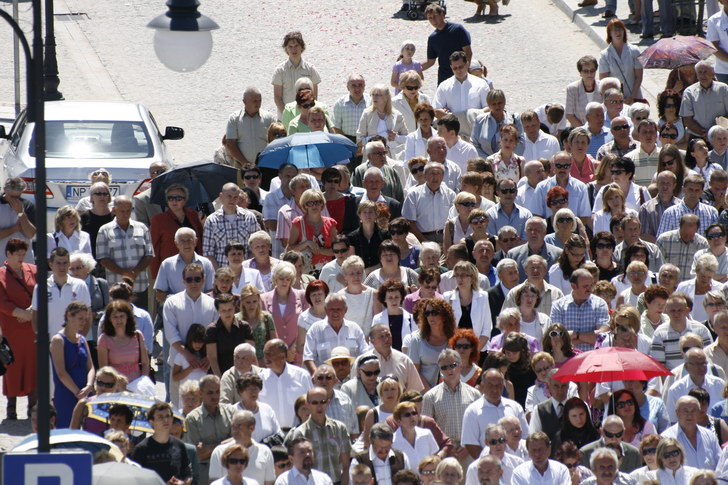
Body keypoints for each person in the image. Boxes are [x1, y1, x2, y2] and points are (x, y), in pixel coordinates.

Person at [163, 263, 218, 405]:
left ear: (203, 280)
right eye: (189, 279)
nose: (193, 283)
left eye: (197, 279)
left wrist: (208, 357)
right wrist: (187, 355)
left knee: (207, 406)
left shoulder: (212, 304)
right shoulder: (171, 303)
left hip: (205, 364)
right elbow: (170, 333)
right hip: (179, 363)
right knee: (178, 405)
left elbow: (216, 332)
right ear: (183, 281)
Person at [95, 195, 153, 310]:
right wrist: (123, 272)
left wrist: (136, 270)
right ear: (114, 210)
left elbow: (149, 254)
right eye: (122, 211)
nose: (125, 214)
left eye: (128, 210)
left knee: (139, 320)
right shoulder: (104, 230)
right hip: (116, 287)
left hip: (139, 286)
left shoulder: (142, 228)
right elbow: (103, 259)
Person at [0, 238, 37, 419]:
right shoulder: (0, 274)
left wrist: (30, 311)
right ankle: (11, 408)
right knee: (12, 367)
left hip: (31, 327)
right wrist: (20, 313)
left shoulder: (33, 270)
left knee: (32, 365)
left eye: (23, 254)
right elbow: (2, 301)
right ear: (8, 254)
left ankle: (33, 407)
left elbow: (40, 292)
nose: (22, 258)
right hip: (12, 329)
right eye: (18, 254)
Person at [286, 387, 352, 485]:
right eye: (314, 403)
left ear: (328, 402)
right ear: (308, 404)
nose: (319, 406)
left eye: (323, 402)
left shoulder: (339, 428)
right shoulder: (300, 433)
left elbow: (346, 465)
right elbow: (297, 467)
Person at [461, 369, 528, 459]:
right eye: (490, 385)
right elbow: (471, 444)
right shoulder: (473, 411)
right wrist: (489, 464)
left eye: (499, 385)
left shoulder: (515, 407)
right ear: (483, 385)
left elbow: (525, 437)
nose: (495, 390)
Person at [50, 302, 95, 428]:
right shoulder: (58, 340)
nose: (83, 322)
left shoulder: (82, 339)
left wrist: (89, 386)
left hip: (85, 392)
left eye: (85, 319)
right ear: (69, 316)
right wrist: (78, 393)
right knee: (66, 432)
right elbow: (61, 373)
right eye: (80, 318)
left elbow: (90, 367)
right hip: (66, 394)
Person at [185, 375, 236, 484]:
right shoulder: (193, 419)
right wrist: (226, 443)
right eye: (210, 392)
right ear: (200, 393)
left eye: (217, 391)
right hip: (205, 472)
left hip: (230, 469)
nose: (215, 396)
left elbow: (237, 443)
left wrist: (209, 447)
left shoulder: (231, 412)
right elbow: (198, 454)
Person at [31, 247, 91, 337]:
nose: (62, 267)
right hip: (50, 343)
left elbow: (88, 316)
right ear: (51, 264)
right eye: (58, 263)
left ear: (69, 264)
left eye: (65, 263)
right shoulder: (40, 287)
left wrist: (79, 339)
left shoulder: (80, 285)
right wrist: (43, 341)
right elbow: (35, 317)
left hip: (74, 342)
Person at [303, 293, 369, 373]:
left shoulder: (355, 329)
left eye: (339, 309)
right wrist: (319, 377)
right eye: (332, 309)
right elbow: (308, 358)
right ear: (326, 310)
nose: (335, 313)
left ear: (345, 310)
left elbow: (365, 354)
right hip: (326, 381)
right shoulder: (315, 330)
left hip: (352, 380)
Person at [149, 184, 204, 279]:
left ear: (185, 200)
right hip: (171, 268)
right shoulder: (158, 220)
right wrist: (156, 274)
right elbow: (154, 247)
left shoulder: (194, 216)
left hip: (193, 266)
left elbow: (201, 240)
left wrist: (203, 224)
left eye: (178, 198)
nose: (174, 201)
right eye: (170, 198)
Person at [550, 269, 611, 352]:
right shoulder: (559, 306)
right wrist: (591, 337)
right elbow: (556, 338)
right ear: (573, 286)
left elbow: (603, 337)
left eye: (591, 285)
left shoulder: (600, 304)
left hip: (592, 359)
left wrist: (576, 335)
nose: (590, 289)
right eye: (585, 286)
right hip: (568, 360)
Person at [433, 52, 489, 140]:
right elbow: (436, 110)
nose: (458, 70)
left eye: (461, 67)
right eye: (455, 68)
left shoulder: (481, 84)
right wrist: (447, 116)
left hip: (475, 133)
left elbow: (488, 108)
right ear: (451, 68)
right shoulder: (444, 86)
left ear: (467, 64)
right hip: (452, 136)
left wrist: (471, 115)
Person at [260, 262, 309, 363]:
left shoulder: (302, 295)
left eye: (288, 279)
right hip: (273, 355)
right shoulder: (263, 299)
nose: (284, 282)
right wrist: (280, 352)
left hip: (297, 354)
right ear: (275, 279)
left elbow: (307, 325)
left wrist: (292, 350)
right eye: (281, 279)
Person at [258, 339, 312, 430]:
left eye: (269, 354)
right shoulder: (260, 379)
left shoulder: (302, 376)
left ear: (282, 356)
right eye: (265, 353)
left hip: (298, 432)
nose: (266, 358)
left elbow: (311, 404)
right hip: (270, 436)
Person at [203, 183, 259, 270]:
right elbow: (208, 252)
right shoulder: (211, 220)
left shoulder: (249, 217)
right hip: (222, 274)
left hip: (245, 272)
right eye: (229, 196)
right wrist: (220, 274)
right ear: (221, 196)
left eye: (235, 197)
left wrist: (248, 270)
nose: (232, 200)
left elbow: (255, 246)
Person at [406, 298, 457, 389]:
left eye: (434, 312)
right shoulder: (417, 340)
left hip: (452, 390)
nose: (430, 317)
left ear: (444, 315)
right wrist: (430, 393)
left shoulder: (455, 338)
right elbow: (415, 372)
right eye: (427, 313)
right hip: (424, 393)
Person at [665, 348, 726, 423]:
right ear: (686, 366)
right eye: (697, 364)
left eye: (703, 363)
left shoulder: (719, 385)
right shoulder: (676, 389)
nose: (701, 367)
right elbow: (672, 420)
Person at [533, 152, 591, 228]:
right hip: (548, 232)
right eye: (558, 166)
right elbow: (537, 215)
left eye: (566, 166)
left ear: (571, 166)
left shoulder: (581, 187)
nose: (562, 169)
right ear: (553, 166)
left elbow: (585, 217)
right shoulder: (541, 187)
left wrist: (567, 230)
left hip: (573, 232)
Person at [98, 300, 150, 384]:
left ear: (127, 317)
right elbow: (104, 369)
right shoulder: (104, 339)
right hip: (115, 387)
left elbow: (145, 364)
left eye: (121, 316)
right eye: (115, 317)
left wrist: (143, 382)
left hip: (137, 386)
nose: (119, 320)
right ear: (110, 319)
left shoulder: (137, 336)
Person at [225, 87, 276, 168]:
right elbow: (230, 143)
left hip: (265, 166)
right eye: (254, 101)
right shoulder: (234, 118)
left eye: (260, 100)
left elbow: (275, 142)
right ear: (244, 101)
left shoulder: (269, 118)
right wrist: (245, 163)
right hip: (241, 166)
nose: (258, 103)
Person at [421, 5, 472, 85]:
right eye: (430, 18)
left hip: (461, 74)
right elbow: (430, 62)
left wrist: (466, 69)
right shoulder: (433, 38)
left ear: (442, 14)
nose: (433, 20)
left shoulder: (457, 29)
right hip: (444, 77)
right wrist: (413, 67)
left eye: (435, 16)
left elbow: (468, 51)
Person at [272, 32, 320, 116]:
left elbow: (314, 97)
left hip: (307, 119)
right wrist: (287, 115)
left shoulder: (311, 70)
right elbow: (277, 98)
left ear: (302, 47)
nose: (293, 50)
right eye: (290, 47)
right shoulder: (279, 71)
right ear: (286, 49)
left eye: (296, 46)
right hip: (284, 118)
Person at [599, 19, 643, 104]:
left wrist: (632, 97)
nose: (618, 32)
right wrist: (616, 98)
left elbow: (639, 77)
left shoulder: (634, 51)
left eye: (620, 29)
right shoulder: (604, 55)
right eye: (614, 30)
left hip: (634, 97)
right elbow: (604, 81)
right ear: (610, 33)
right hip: (614, 101)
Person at [680, 60, 728, 139]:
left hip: (720, 137)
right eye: (700, 72)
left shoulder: (724, 89)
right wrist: (705, 134)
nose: (703, 75)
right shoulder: (689, 92)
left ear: (713, 73)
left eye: (705, 72)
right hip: (697, 137)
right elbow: (687, 119)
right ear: (697, 75)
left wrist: (715, 133)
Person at [470, 90, 524, 159]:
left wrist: (506, 159)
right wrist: (489, 161)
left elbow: (521, 143)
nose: (497, 106)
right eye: (494, 104)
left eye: (500, 103)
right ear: (489, 105)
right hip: (486, 164)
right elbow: (474, 144)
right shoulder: (480, 120)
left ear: (504, 102)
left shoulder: (515, 119)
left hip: (510, 163)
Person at [527, 368, 572, 437]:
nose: (560, 390)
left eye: (564, 386)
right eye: (556, 386)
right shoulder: (539, 410)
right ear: (548, 387)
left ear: (568, 386)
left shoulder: (578, 406)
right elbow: (533, 437)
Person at [0, 178, 35, 264]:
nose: (15, 200)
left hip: (25, 261)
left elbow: (31, 234)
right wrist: (16, 228)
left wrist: (21, 213)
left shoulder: (27, 205)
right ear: (4, 190)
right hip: (2, 261)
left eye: (18, 197)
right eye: (12, 197)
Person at [332, 73, 371, 148]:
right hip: (346, 141)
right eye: (353, 85)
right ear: (348, 87)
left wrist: (363, 143)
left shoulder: (371, 102)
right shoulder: (340, 103)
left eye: (360, 85)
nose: (357, 89)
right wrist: (346, 144)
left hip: (366, 141)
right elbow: (336, 127)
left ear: (364, 87)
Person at [566, 56, 601, 128]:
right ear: (580, 72)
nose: (589, 74)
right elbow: (569, 115)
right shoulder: (572, 88)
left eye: (592, 70)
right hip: (580, 131)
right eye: (585, 71)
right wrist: (584, 130)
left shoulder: (602, 86)